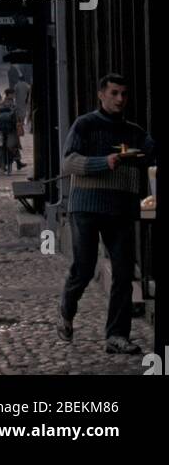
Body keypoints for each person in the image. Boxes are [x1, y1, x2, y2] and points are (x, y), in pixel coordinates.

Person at [57, 74, 156, 355]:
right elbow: (68, 162)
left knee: (124, 273)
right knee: (84, 268)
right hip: (86, 207)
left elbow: (152, 154)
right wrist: (104, 161)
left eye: (124, 94)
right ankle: (66, 307)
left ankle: (116, 335)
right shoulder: (85, 125)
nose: (120, 99)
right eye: (114, 93)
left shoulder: (134, 132)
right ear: (101, 94)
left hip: (121, 209)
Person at [0, 90, 24, 176]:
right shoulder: (13, 104)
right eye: (13, 94)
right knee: (13, 145)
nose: (13, 95)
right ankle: (15, 161)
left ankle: (1, 166)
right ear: (9, 94)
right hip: (11, 129)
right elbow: (18, 116)